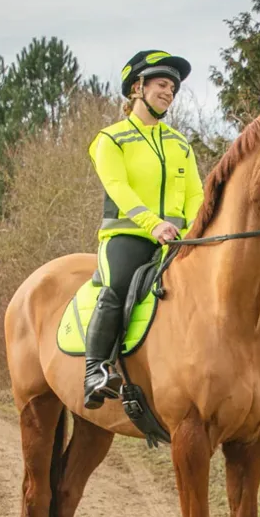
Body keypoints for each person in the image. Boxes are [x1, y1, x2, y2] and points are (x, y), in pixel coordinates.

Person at [83, 50, 205, 410]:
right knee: (118, 285)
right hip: (127, 236)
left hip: (178, 240)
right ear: (138, 87)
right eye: (162, 84)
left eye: (173, 88)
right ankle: (95, 371)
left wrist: (197, 230)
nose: (169, 92)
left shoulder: (180, 144)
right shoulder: (111, 139)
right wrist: (154, 225)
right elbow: (119, 189)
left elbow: (196, 193)